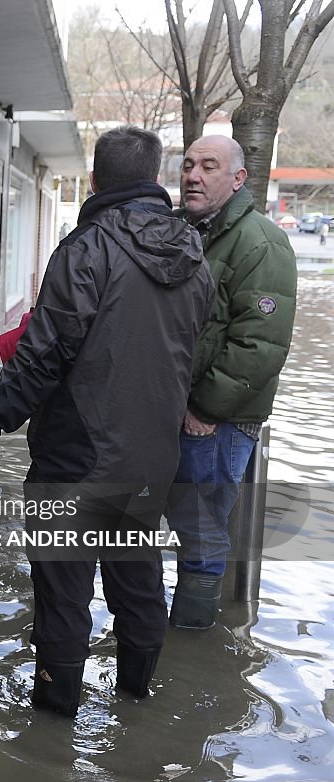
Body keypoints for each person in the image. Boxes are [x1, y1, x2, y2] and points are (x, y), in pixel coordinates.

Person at [0, 126, 215, 716]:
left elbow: (41, 361)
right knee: (136, 584)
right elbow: (191, 357)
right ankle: (137, 707)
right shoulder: (194, 258)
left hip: (77, 460)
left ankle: (51, 734)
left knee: (64, 597)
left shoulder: (85, 249)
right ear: (156, 177)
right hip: (149, 462)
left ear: (94, 180)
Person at [165, 136, 297, 629]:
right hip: (181, 411)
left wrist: (204, 409)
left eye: (208, 166)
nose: (193, 175)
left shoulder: (260, 241)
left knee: (200, 537)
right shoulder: (193, 232)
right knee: (174, 529)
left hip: (214, 422)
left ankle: (191, 650)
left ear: (238, 178)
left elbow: (260, 344)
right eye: (188, 165)